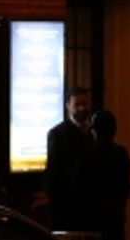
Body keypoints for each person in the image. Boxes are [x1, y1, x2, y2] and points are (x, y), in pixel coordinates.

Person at [72, 109, 130, 240]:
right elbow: (123, 183)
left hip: (92, 220)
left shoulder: (86, 155)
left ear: (94, 130)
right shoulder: (121, 153)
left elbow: (79, 188)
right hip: (115, 219)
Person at [35, 87, 93, 229]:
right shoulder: (58, 134)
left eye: (84, 104)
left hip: (90, 204)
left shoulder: (93, 133)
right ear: (68, 106)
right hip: (66, 203)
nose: (81, 108)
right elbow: (53, 165)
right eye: (77, 105)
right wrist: (46, 191)